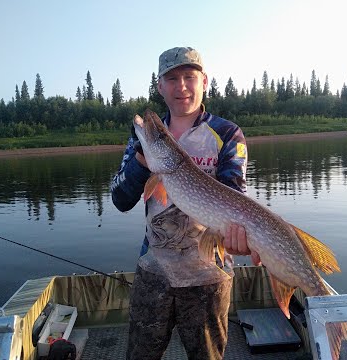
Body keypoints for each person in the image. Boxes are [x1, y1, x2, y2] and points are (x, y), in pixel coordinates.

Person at [110, 46, 260, 360]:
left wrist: (240, 239)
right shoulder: (145, 140)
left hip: (209, 275)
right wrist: (141, 161)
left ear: (203, 81)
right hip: (154, 270)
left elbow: (234, 196)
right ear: (160, 86)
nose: (181, 86)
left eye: (189, 77)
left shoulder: (226, 133)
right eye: (172, 78)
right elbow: (121, 199)